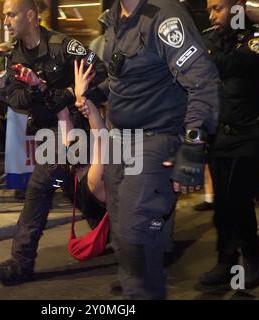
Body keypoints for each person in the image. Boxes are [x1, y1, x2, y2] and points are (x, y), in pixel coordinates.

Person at [79, 0, 221, 299]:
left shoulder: (164, 14)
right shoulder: (117, 17)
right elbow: (127, 78)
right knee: (122, 236)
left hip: (154, 140)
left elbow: (203, 81)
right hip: (120, 141)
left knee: (136, 236)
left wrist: (193, 145)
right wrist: (92, 92)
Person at [0, 0, 107, 286]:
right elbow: (13, 98)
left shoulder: (63, 45)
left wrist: (66, 95)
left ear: (30, 15)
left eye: (11, 14)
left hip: (73, 127)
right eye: (4, 16)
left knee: (41, 186)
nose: (6, 21)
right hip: (47, 132)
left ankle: (21, 263)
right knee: (70, 186)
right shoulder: (14, 54)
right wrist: (35, 90)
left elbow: (101, 74)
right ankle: (109, 228)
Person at [199, 0, 259, 289]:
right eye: (209, 9)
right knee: (222, 204)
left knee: (238, 198)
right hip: (220, 135)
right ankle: (226, 261)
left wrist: (201, 52)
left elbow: (233, 64)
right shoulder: (210, 37)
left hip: (252, 135)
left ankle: (251, 254)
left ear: (237, 6)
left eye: (217, 7)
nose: (211, 15)